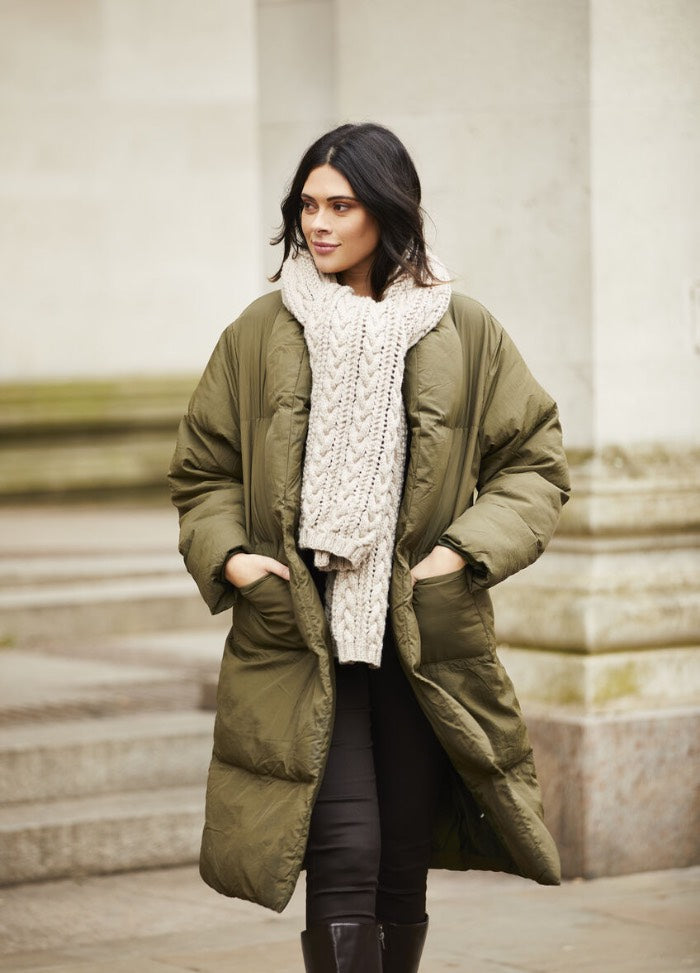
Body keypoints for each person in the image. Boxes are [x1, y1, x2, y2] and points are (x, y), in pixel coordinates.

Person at [168, 122, 570, 973]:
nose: (318, 224)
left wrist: (459, 553)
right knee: (344, 850)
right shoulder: (260, 331)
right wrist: (233, 558)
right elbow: (204, 471)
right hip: (298, 628)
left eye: (341, 206)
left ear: (388, 211)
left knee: (400, 861)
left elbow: (535, 463)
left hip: (418, 632)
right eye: (308, 205)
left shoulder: (464, 329)